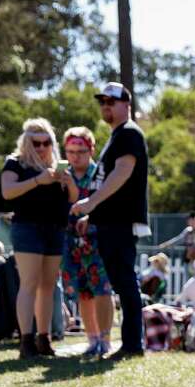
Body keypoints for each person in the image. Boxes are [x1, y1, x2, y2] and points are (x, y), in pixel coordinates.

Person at [70, 82, 149, 361]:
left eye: (111, 102)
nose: (106, 106)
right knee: (121, 281)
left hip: (122, 222)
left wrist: (91, 202)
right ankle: (130, 343)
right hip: (110, 220)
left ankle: (132, 344)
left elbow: (123, 172)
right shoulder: (117, 135)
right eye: (102, 102)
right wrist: (94, 214)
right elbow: (110, 181)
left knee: (125, 282)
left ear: (127, 105)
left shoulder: (128, 133)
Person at [0, 118, 68, 359]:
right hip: (27, 228)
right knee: (29, 283)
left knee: (48, 286)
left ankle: (44, 339)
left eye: (45, 142)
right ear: (26, 142)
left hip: (55, 229)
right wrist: (38, 180)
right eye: (35, 143)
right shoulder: (15, 162)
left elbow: (72, 198)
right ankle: (26, 341)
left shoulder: (57, 167)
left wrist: (64, 180)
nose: (41, 147)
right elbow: (7, 191)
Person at [59, 126, 115, 358]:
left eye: (81, 151)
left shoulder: (100, 175)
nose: (75, 156)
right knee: (83, 293)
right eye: (71, 151)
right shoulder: (61, 176)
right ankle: (91, 339)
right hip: (71, 243)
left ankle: (105, 339)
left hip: (97, 239)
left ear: (91, 149)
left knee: (103, 289)